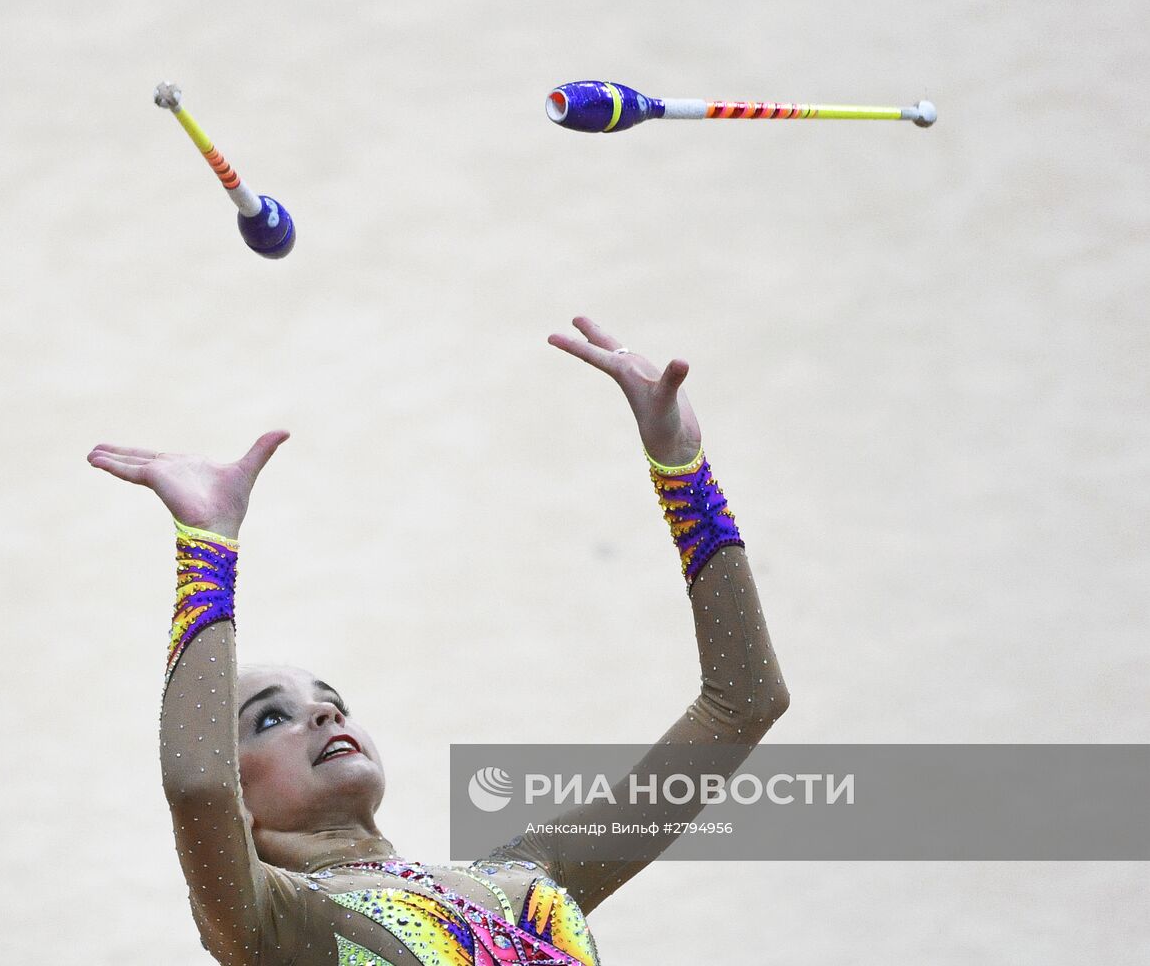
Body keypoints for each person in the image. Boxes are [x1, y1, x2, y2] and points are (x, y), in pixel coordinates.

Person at [87, 316, 789, 965]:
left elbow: (744, 703)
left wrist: (680, 468)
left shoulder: (533, 872)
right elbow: (196, 785)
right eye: (270, 717)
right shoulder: (271, 920)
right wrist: (207, 549)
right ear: (237, 797)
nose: (325, 715)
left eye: (331, 701)